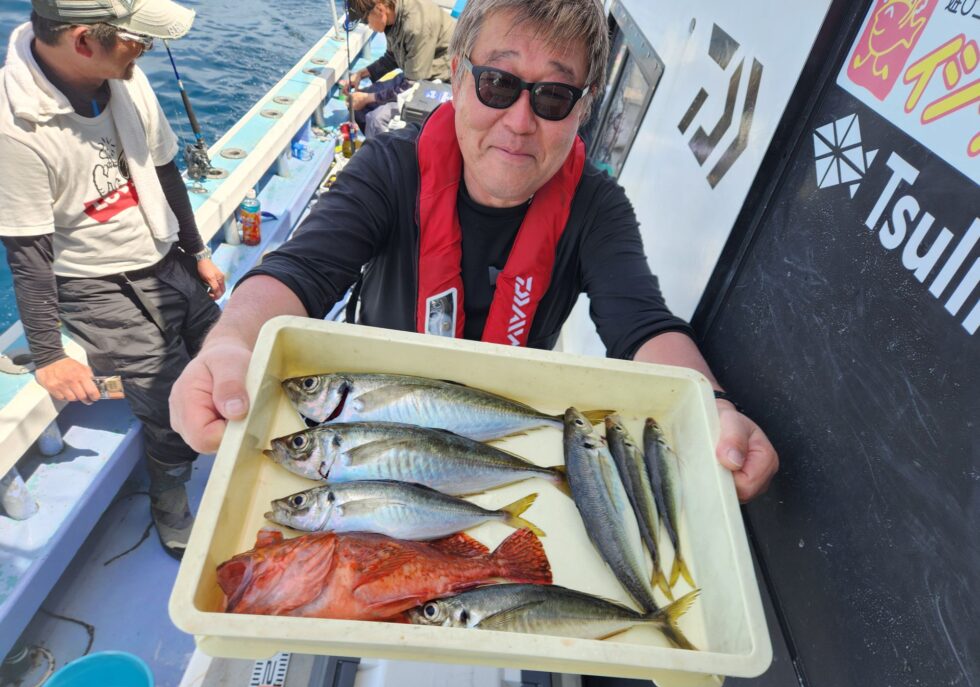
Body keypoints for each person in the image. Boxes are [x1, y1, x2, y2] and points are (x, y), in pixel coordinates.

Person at [170, 0, 779, 502]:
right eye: (497, 83)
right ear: (458, 78)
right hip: (368, 436)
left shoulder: (597, 207)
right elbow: (299, 271)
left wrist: (712, 406)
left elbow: (641, 324)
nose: (519, 122)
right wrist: (230, 343)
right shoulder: (389, 168)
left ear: (583, 110)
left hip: (498, 441)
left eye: (553, 97)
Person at [0, 0, 226, 559]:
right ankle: (170, 493)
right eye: (137, 39)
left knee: (226, 350)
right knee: (165, 390)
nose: (146, 49)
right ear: (83, 42)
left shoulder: (126, 74)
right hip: (93, 281)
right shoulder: (14, 130)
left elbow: (166, 166)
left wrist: (195, 250)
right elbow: (27, 251)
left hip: (163, 255)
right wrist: (51, 352)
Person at [341, 0, 455, 136]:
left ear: (380, 9)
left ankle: (389, 152)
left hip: (442, 84)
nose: (368, 26)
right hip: (416, 75)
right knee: (357, 105)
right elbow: (392, 58)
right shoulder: (393, 17)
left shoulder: (416, 26)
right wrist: (361, 74)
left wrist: (367, 98)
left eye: (366, 21)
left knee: (376, 120)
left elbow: (412, 86)